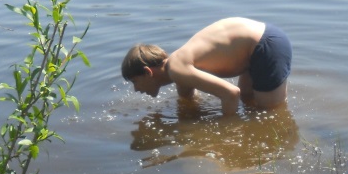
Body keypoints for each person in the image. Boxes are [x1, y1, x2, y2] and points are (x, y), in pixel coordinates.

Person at [122, 17, 291, 116]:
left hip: (265, 46)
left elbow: (231, 94)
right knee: (248, 101)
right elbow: (188, 100)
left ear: (147, 72)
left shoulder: (176, 69)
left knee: (270, 113)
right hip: (256, 46)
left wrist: (229, 128)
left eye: (134, 82)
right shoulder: (177, 67)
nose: (136, 90)